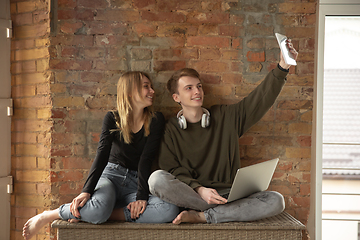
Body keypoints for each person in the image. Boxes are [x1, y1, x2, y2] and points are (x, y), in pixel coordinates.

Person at [148, 40, 298, 224]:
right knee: (156, 179)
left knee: (276, 200)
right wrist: (199, 189)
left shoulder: (226, 117)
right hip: (195, 195)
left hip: (229, 195)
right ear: (176, 97)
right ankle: (228, 213)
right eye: (189, 88)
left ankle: (204, 216)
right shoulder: (170, 129)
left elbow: (259, 100)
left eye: (199, 86)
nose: (197, 91)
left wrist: (283, 67)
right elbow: (171, 170)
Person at [22, 71, 179, 240]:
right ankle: (51, 214)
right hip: (111, 177)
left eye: (151, 86)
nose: (152, 91)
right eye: (146, 87)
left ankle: (104, 213)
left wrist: (141, 197)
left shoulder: (156, 119)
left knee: (169, 209)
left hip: (136, 182)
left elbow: (146, 159)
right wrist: (86, 191)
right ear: (129, 91)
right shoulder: (113, 118)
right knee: (97, 208)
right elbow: (102, 155)